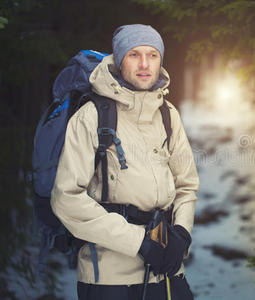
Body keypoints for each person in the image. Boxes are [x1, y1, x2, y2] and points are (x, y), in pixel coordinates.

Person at [51, 24, 199, 300]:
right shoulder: (91, 116)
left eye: (152, 55)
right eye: (134, 54)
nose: (144, 64)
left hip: (167, 272)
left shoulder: (168, 114)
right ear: (120, 60)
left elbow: (186, 185)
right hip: (108, 280)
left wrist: (182, 234)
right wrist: (140, 243)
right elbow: (66, 198)